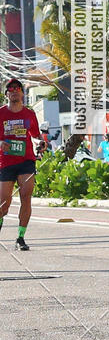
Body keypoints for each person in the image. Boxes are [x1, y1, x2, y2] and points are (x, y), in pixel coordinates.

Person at [0, 78, 43, 251]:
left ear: (22, 93)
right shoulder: (1, 113)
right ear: (7, 94)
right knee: (4, 204)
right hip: (6, 162)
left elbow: (36, 135)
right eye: (11, 89)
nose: (15, 91)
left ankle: (20, 237)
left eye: (18, 88)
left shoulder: (29, 114)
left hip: (26, 161)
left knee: (26, 196)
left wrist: (41, 143)